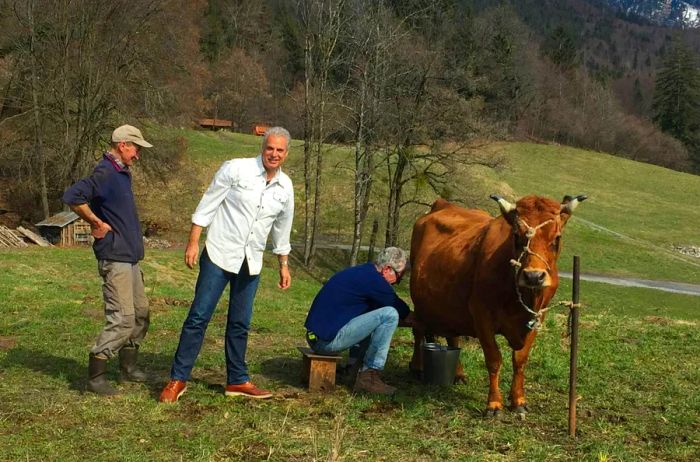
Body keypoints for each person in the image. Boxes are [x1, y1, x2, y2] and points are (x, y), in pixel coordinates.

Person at [159, 126, 294, 403]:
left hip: (251, 262)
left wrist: (283, 264)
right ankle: (178, 379)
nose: (274, 154)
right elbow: (208, 203)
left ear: (286, 153)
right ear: (262, 147)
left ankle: (237, 380)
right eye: (270, 148)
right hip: (219, 254)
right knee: (198, 317)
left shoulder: (285, 187)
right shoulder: (236, 169)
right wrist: (194, 241)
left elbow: (282, 228)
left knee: (240, 323)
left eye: (280, 150)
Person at [62, 124, 154, 396]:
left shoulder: (121, 173)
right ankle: (96, 377)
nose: (137, 154)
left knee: (140, 314)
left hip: (130, 258)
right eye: (136, 148)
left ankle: (128, 368)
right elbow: (72, 196)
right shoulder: (105, 172)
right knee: (123, 318)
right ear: (123, 144)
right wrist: (94, 221)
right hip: (115, 258)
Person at [304, 247, 416, 396]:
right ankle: (369, 376)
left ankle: (353, 367)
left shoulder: (363, 272)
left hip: (315, 336)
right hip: (325, 343)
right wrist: (420, 320)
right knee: (390, 315)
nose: (398, 282)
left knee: (372, 313)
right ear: (387, 269)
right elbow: (402, 311)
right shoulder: (374, 281)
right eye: (399, 276)